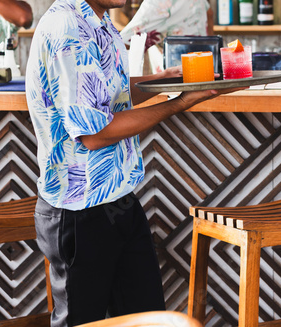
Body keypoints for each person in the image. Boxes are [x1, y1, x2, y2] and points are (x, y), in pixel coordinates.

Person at [25, 0, 243, 326]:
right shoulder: (70, 30)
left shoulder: (100, 23)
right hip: (78, 211)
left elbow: (107, 95)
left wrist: (163, 81)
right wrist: (177, 104)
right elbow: (95, 134)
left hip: (118, 200)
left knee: (147, 319)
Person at [120, 0, 213, 50]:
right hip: (205, 73)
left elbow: (121, 43)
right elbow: (210, 15)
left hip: (175, 79)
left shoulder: (157, 3)